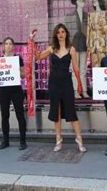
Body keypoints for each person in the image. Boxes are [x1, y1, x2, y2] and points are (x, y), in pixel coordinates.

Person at [35, 23, 87, 152]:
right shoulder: (51, 48)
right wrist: (32, 42)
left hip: (67, 83)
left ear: (66, 33)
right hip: (54, 83)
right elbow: (38, 57)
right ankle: (58, 139)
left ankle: (79, 139)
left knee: (71, 111)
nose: (61, 34)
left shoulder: (71, 49)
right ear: (55, 35)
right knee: (56, 111)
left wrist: (80, 84)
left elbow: (75, 67)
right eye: (58, 32)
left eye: (63, 32)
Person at [0, 37, 27, 150]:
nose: (8, 45)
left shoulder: (18, 59)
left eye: (10, 43)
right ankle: (5, 140)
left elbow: (23, 75)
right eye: (6, 43)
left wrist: (17, 69)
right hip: (4, 90)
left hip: (16, 90)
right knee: (4, 116)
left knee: (20, 115)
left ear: (13, 46)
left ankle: (23, 141)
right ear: (3, 46)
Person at [65, 0, 89, 99]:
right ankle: (76, 90)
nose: (83, 2)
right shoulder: (69, 17)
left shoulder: (87, 16)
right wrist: (69, 46)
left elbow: (89, 30)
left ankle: (84, 90)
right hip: (74, 45)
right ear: (76, 2)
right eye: (81, 0)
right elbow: (67, 32)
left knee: (83, 68)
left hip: (84, 44)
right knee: (75, 69)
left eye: (84, 0)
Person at [87, 0, 107, 67]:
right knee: (95, 64)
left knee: (104, 62)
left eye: (95, 0)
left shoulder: (106, 13)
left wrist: (106, 28)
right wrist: (88, 43)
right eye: (93, 1)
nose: (93, 2)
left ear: (100, 1)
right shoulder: (91, 15)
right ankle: (96, 78)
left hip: (103, 41)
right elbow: (88, 29)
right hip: (93, 43)